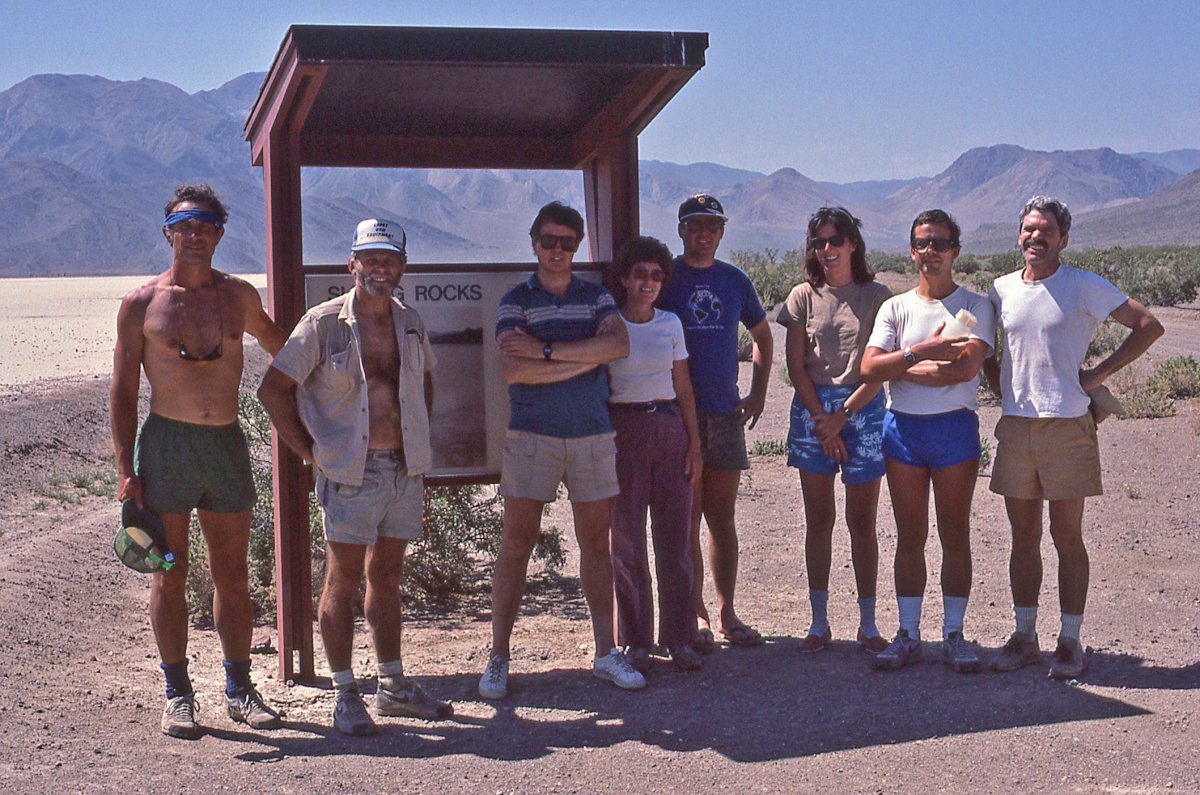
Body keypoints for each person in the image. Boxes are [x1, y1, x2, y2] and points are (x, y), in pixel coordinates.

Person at [258, 218, 453, 736]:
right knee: (341, 581)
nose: (379, 267)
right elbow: (273, 388)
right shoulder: (323, 324)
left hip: (403, 469)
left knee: (386, 577)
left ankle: (392, 689)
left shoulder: (410, 321)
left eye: (389, 258)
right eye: (370, 258)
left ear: (403, 267)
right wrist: (309, 453)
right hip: (350, 471)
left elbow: (422, 383)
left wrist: (419, 447)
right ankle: (345, 693)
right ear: (352, 264)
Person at [110, 184, 287, 739]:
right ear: (168, 233)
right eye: (184, 225)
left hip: (225, 446)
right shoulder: (142, 304)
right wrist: (124, 469)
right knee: (169, 571)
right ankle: (177, 693)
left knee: (232, 573)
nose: (194, 234)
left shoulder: (238, 296)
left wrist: (330, 372)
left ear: (218, 233)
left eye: (204, 225)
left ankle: (239, 688)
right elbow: (121, 390)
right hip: (167, 447)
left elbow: (280, 343)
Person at [983, 195, 1162, 679]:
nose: (1035, 237)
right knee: (1023, 539)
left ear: (1063, 238)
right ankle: (1024, 636)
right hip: (1018, 428)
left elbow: (1148, 324)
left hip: (1068, 426)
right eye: (1028, 229)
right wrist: (997, 379)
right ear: (1018, 235)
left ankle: (1069, 640)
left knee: (1067, 538)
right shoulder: (1000, 290)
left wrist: (1096, 375)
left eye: (1045, 230)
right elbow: (984, 347)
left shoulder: (1083, 286)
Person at [479, 201, 643, 699]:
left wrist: (547, 351)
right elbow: (513, 370)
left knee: (597, 545)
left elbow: (617, 347)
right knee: (516, 543)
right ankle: (498, 657)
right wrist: (583, 357)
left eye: (567, 243)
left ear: (578, 246)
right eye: (549, 241)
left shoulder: (596, 298)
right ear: (534, 243)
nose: (558, 250)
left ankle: (603, 653)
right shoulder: (515, 300)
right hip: (531, 435)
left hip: (591, 434)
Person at [860, 209, 995, 672]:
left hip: (954, 429)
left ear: (955, 250)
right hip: (904, 431)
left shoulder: (976, 307)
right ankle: (908, 633)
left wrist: (901, 364)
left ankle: (954, 634)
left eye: (939, 243)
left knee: (954, 532)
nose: (930, 252)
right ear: (911, 250)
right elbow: (868, 369)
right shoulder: (895, 308)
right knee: (909, 535)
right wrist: (923, 352)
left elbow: (963, 370)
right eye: (922, 243)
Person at [658, 194, 773, 650]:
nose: (703, 234)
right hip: (677, 414)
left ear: (722, 232)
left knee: (720, 517)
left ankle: (726, 611)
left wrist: (759, 393)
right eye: (694, 225)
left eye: (711, 226)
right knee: (685, 517)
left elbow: (762, 336)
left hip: (724, 413)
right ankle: (695, 614)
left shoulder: (733, 280)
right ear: (682, 231)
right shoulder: (666, 277)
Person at [776, 206, 891, 656]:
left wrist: (842, 416)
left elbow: (881, 367)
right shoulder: (802, 297)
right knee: (818, 520)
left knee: (862, 522)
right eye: (819, 242)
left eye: (835, 241)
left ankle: (867, 623)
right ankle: (818, 621)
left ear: (853, 245)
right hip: (812, 410)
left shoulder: (878, 296)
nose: (827, 250)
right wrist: (824, 422)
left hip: (862, 408)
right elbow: (795, 365)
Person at [605, 236, 704, 673]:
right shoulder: (607, 325)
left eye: (657, 276)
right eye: (640, 274)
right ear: (625, 278)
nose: (648, 283)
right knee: (626, 541)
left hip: (668, 428)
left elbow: (683, 387)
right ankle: (635, 640)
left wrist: (695, 446)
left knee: (675, 539)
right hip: (623, 430)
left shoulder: (670, 324)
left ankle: (679, 637)